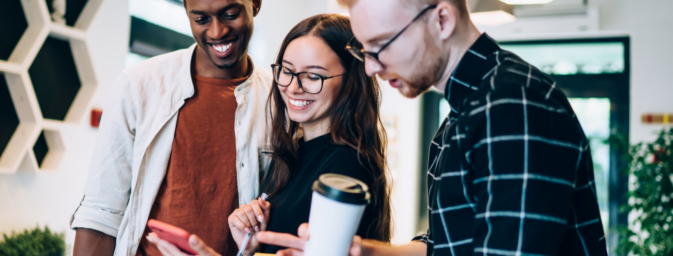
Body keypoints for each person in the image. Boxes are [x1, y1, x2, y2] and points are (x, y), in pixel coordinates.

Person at [257, 0, 608, 255]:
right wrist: (364, 253)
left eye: (382, 45)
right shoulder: (466, 110)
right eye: (364, 50)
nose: (369, 68)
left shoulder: (511, 104)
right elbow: (448, 244)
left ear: (441, 19)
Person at [145, 13, 393, 256]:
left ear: (352, 80)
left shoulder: (348, 166)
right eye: (287, 71)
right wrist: (251, 246)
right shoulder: (290, 153)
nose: (293, 87)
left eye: (313, 75)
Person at [69, 0, 272, 255]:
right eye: (201, 19)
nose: (217, 32)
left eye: (230, 14)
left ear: (255, 3)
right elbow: (101, 211)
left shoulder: (279, 98)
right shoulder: (137, 84)